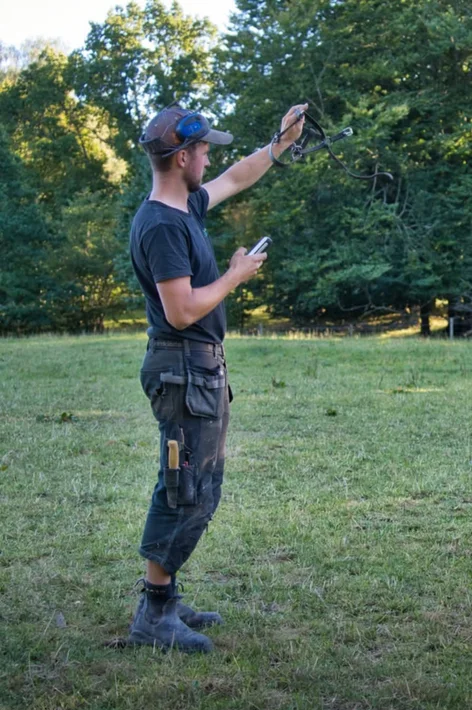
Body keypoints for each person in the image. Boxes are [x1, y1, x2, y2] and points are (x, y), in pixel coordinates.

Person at [127, 101, 307, 652]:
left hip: (197, 370)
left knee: (198, 487)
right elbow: (181, 310)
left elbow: (237, 176)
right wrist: (235, 275)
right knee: (186, 491)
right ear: (182, 157)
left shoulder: (185, 209)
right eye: (204, 148)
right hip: (183, 368)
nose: (211, 157)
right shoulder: (161, 225)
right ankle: (154, 615)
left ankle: (165, 598)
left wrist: (280, 144)